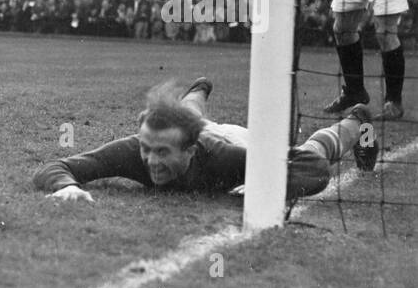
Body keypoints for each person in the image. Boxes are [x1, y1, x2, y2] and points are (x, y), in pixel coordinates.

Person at [34, 78, 376, 203]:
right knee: (190, 117)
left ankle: (358, 121)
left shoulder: (225, 158)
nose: (150, 161)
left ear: (190, 151)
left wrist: (264, 186)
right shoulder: (136, 150)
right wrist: (66, 185)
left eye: (162, 152)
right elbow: (57, 165)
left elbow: (312, 168)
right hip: (199, 128)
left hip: (232, 137)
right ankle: (198, 88)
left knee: (312, 148)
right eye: (146, 149)